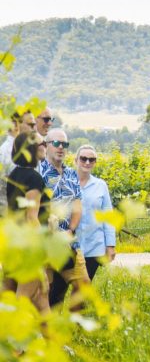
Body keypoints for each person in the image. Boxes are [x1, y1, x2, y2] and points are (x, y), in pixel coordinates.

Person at [39, 128, 90, 311]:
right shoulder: (38, 172)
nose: (61, 147)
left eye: (65, 144)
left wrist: (70, 231)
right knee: (44, 290)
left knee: (83, 285)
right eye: (56, 143)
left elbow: (77, 206)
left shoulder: (71, 174)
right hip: (45, 242)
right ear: (46, 146)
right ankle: (43, 331)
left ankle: (73, 326)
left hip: (69, 242)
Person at [3, 132, 50, 314]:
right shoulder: (33, 178)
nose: (44, 146)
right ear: (32, 148)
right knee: (22, 299)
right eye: (41, 143)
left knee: (41, 297)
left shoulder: (14, 174)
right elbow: (32, 217)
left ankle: (51, 341)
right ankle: (14, 341)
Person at [75, 144, 116, 280]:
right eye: (83, 158)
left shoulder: (100, 185)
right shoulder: (66, 183)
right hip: (69, 246)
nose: (87, 162)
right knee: (58, 289)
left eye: (91, 160)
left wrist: (110, 245)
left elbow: (108, 217)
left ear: (95, 163)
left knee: (83, 289)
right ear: (76, 160)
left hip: (93, 247)